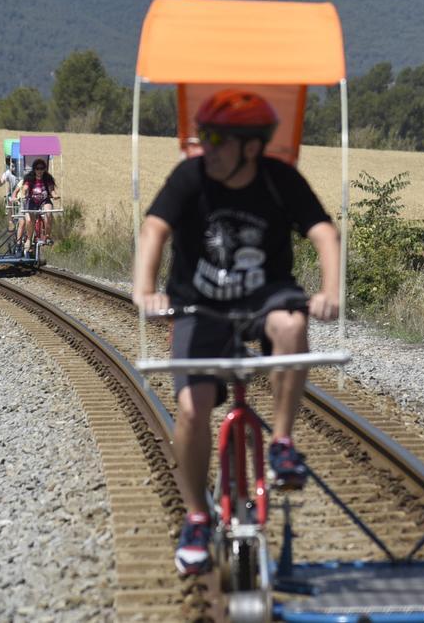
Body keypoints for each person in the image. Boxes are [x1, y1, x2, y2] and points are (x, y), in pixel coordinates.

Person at [133, 89, 341, 576]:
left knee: (291, 323)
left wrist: (330, 291)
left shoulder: (278, 180)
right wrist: (145, 291)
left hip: (263, 297)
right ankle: (198, 517)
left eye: (216, 139)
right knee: (191, 409)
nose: (206, 148)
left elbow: (324, 233)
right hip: (197, 304)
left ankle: (283, 444)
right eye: (203, 136)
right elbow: (154, 229)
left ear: (251, 146)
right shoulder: (192, 176)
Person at [14, 158, 59, 254]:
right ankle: (29, 239)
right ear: (34, 169)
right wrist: (24, 193)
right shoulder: (29, 178)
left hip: (44, 201)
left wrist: (55, 195)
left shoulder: (48, 178)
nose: (40, 171)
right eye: (38, 168)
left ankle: (47, 236)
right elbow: (25, 187)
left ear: (44, 169)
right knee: (29, 220)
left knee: (48, 213)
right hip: (32, 201)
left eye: (42, 168)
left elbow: (51, 190)